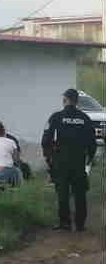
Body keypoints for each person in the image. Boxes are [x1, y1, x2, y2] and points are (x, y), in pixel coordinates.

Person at [42, 88, 97, 232]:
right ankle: (80, 224)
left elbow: (46, 139)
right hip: (78, 161)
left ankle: (65, 223)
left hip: (61, 161)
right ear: (77, 101)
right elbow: (92, 142)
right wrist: (89, 159)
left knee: (62, 192)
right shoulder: (85, 118)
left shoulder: (56, 117)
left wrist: (49, 158)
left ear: (65, 99)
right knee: (80, 193)